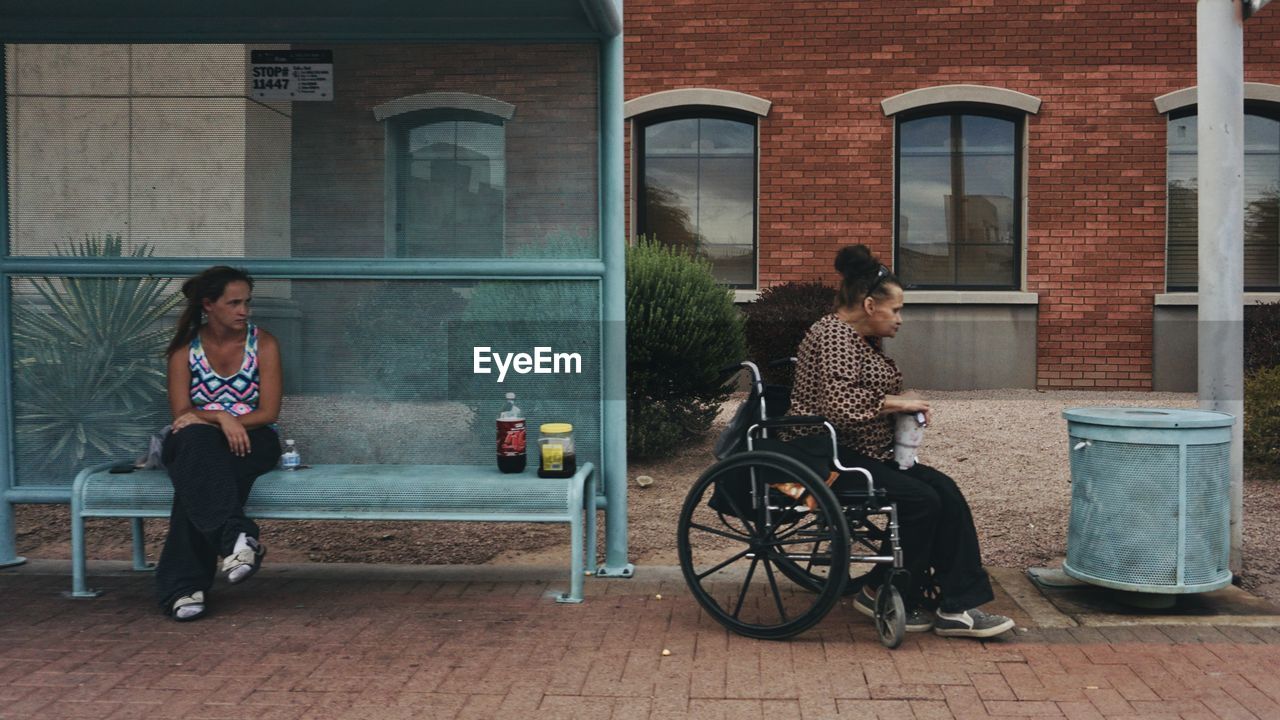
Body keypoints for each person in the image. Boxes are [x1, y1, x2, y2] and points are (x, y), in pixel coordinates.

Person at [785, 244, 1015, 639]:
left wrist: (903, 408)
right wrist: (897, 402)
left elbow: (860, 397)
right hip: (827, 459)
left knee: (945, 489)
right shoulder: (835, 335)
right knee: (922, 501)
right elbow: (839, 404)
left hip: (863, 452)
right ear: (871, 305)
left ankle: (956, 604)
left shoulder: (857, 339)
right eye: (896, 310)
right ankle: (880, 589)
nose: (900, 320)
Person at [155, 266, 283, 621]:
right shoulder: (185, 348)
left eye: (247, 302)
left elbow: (269, 411)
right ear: (209, 305)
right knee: (196, 444)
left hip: (252, 440)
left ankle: (183, 587)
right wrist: (222, 418)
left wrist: (231, 422)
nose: (244, 311)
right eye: (234, 303)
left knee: (195, 481)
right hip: (198, 440)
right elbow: (182, 412)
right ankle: (236, 540)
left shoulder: (264, 344)